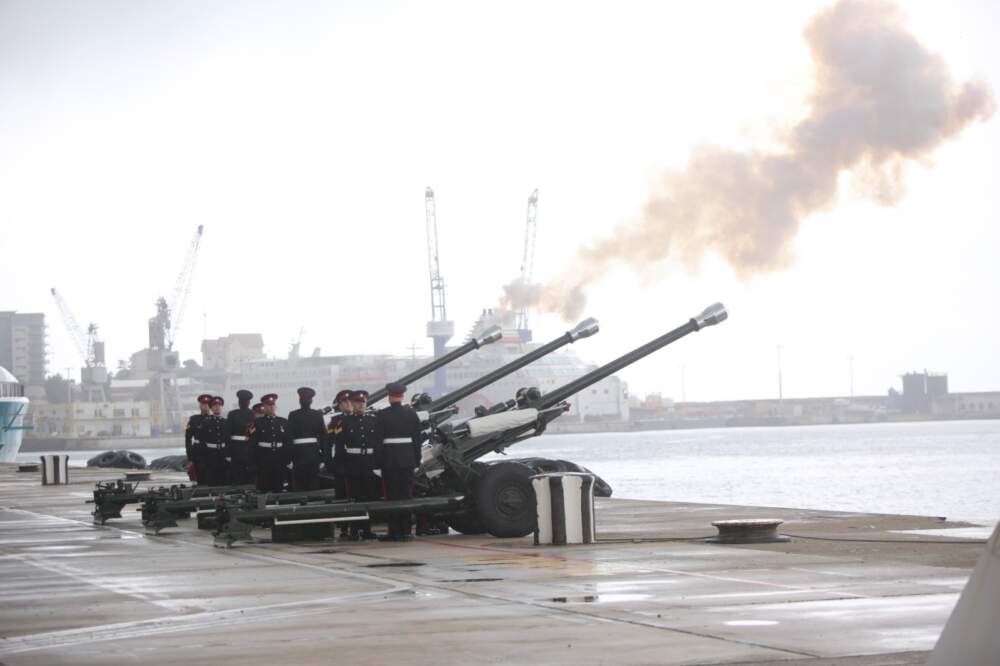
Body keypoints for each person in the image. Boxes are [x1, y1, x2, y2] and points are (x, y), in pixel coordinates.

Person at [375, 382, 424, 541]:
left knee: (392, 497)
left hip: (389, 460)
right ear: (402, 396)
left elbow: (378, 442)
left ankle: (394, 531)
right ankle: (406, 530)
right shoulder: (411, 414)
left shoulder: (382, 415)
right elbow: (417, 440)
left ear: (389, 396)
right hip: (407, 459)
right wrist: (416, 461)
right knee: (406, 495)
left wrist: (377, 464)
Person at [336, 389, 379, 540]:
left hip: (369, 462)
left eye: (363, 402)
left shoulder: (373, 420)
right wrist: (341, 466)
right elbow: (340, 446)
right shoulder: (344, 422)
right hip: (352, 463)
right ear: (353, 404)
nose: (360, 405)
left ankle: (367, 529)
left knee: (369, 497)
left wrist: (377, 464)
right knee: (355, 498)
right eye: (357, 403)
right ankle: (354, 529)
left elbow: (378, 444)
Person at [286, 386, 327, 491]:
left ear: (300, 400)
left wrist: (289, 458)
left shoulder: (293, 415)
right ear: (311, 400)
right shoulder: (317, 415)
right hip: (312, 453)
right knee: (312, 483)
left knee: (303, 484)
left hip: (298, 454)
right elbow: (323, 438)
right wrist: (323, 458)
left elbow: (289, 438)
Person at [248, 393, 290, 493]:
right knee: (263, 488)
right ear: (264, 406)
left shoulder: (283, 422)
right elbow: (251, 444)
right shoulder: (255, 423)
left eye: (272, 405)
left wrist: (287, 459)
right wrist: (253, 462)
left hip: (279, 459)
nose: (271, 407)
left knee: (278, 487)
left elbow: (288, 442)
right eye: (268, 405)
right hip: (263, 459)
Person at [195, 396, 230, 486]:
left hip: (223, 454)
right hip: (210, 455)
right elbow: (201, 442)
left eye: (219, 406)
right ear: (211, 408)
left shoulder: (226, 422)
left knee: (224, 480)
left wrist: (228, 455)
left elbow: (228, 440)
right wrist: (202, 459)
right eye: (215, 406)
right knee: (212, 480)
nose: (217, 407)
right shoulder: (206, 423)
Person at [225, 389, 255, 485]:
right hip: (237, 448)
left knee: (248, 474)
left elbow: (254, 433)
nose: (244, 403)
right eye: (243, 401)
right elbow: (227, 434)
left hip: (244, 447)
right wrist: (228, 453)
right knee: (237, 473)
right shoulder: (251, 414)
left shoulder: (234, 414)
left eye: (244, 401)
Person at [185, 394, 213, 483]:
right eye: (203, 404)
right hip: (198, 452)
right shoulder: (194, 419)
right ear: (200, 406)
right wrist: (190, 456)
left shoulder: (215, 419)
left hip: (212, 452)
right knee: (200, 477)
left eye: (208, 404)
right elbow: (188, 439)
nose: (205, 406)